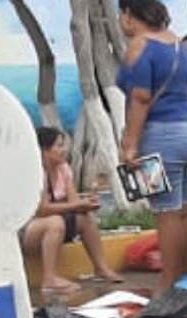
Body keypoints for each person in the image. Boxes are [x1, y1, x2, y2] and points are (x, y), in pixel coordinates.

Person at [118, 0, 187, 290]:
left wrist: (130, 144)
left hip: (160, 136)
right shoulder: (177, 43)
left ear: (128, 14)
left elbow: (140, 98)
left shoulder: (140, 45)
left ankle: (169, 286)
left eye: (121, 14)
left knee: (165, 213)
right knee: (184, 211)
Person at [22, 127, 121, 298]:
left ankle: (101, 268)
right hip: (30, 231)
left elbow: (73, 202)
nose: (64, 150)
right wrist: (75, 206)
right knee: (55, 221)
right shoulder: (38, 173)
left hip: (55, 226)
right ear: (45, 150)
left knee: (85, 218)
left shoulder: (63, 169)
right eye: (59, 146)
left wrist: (86, 204)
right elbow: (43, 209)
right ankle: (50, 278)